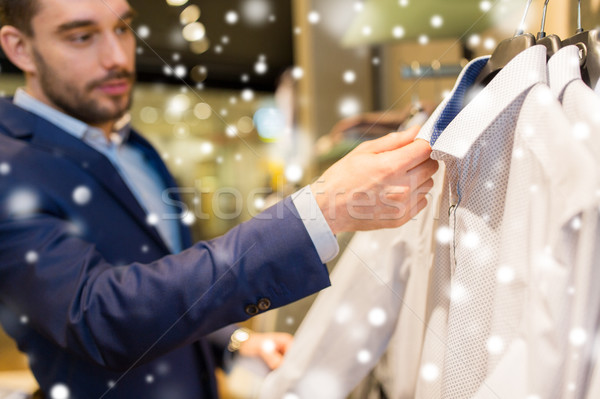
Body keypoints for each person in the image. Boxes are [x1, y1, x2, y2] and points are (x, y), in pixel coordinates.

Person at [0, 0, 438, 397]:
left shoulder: (137, 150)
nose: (116, 57)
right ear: (19, 47)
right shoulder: (9, 166)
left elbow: (169, 278)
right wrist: (318, 212)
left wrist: (236, 341)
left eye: (123, 29)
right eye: (81, 36)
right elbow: (101, 317)